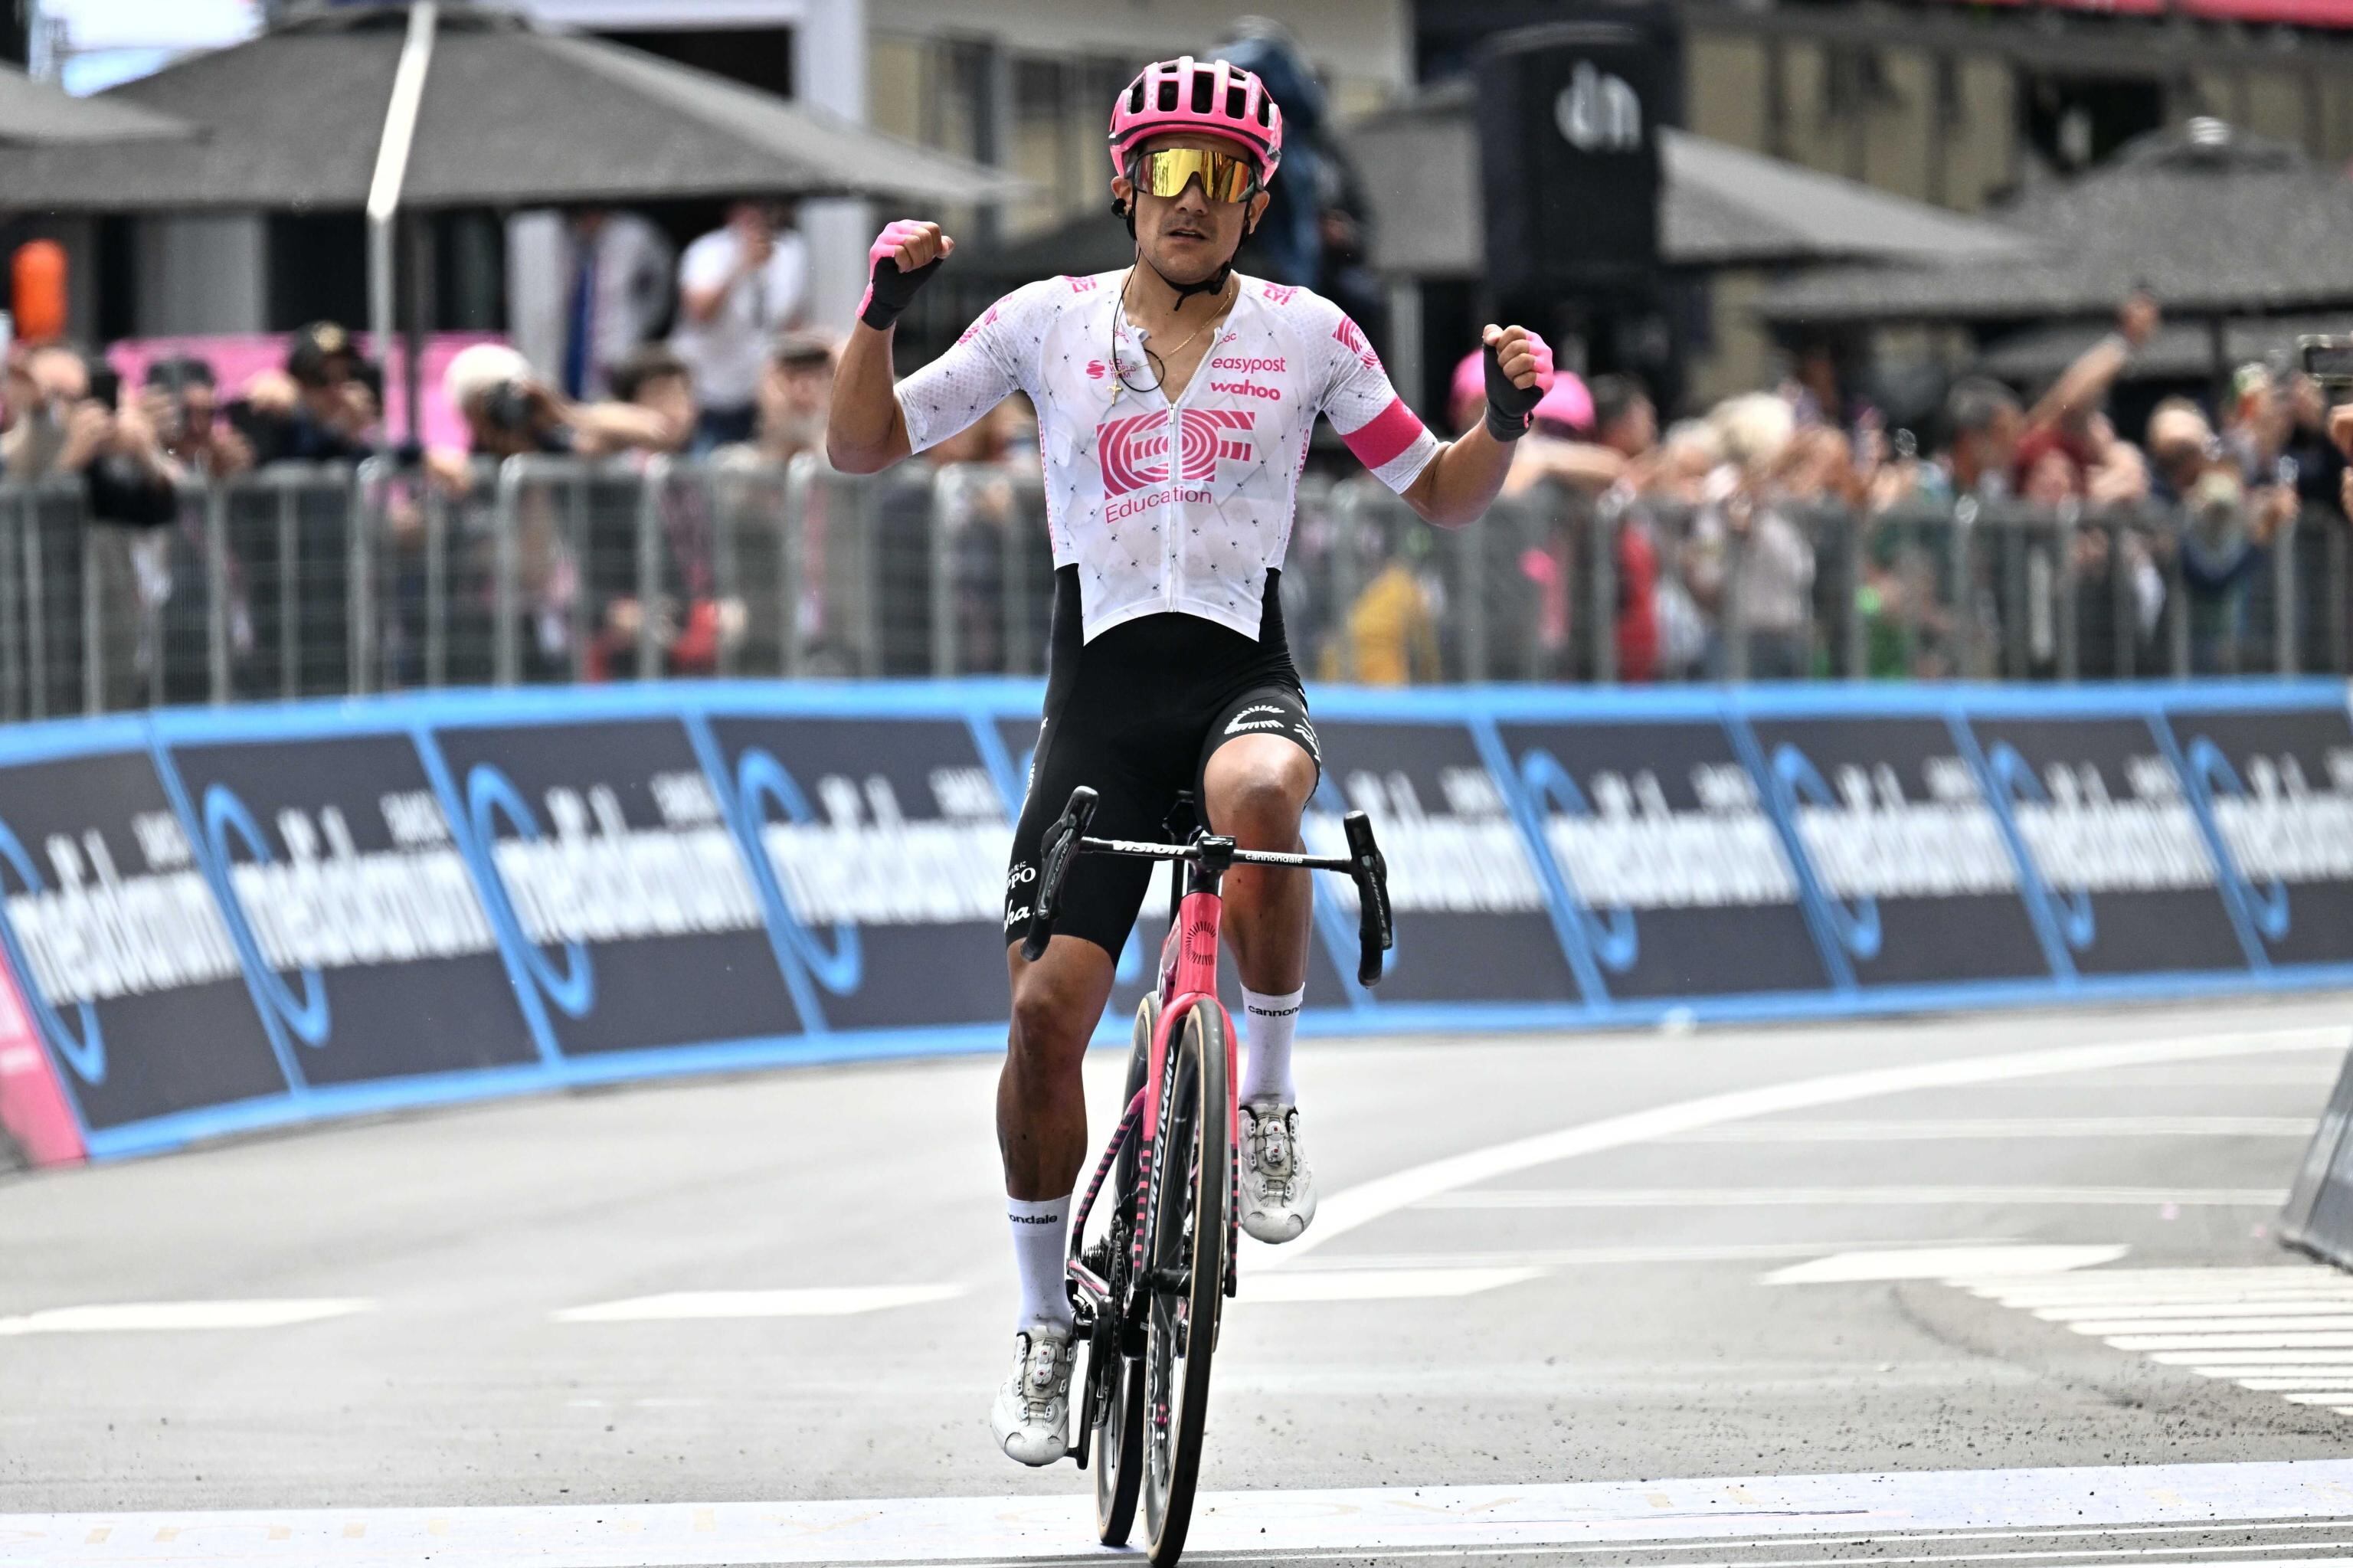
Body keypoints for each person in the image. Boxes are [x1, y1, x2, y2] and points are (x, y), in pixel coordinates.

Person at [824, 54, 1552, 1469]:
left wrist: (1506, 422)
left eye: (1221, 176)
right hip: (1097, 709)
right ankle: (1043, 1321)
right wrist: (880, 312)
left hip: (1236, 681)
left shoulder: (1310, 334)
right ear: (1125, 184)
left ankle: (1264, 1098)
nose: (1192, 198)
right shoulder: (1043, 322)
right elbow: (860, 443)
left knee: (1266, 797)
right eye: (1167, 169)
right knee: (1046, 1018)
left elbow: (1444, 494)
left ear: (1256, 201)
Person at [672, 201, 808, 450]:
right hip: (705, 387)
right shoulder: (708, 250)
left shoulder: (792, 251)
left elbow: (792, 322)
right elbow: (700, 312)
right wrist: (741, 264)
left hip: (755, 390)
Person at [506, 207, 676, 401]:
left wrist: (639, 325)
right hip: (557, 358)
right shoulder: (540, 234)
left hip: (612, 358)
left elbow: (661, 286)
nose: (589, 220)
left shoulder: (636, 235)